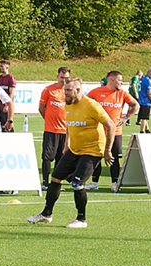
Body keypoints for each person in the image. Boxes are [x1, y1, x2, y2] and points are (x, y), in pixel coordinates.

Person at [28, 77, 114, 229]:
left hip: (92, 151)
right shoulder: (68, 104)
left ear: (78, 90)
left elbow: (111, 126)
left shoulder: (92, 106)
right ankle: (46, 214)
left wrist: (107, 150)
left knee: (77, 183)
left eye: (68, 90)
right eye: (64, 90)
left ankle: (81, 219)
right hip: (74, 149)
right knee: (55, 178)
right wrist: (67, 143)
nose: (65, 93)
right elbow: (69, 125)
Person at [87, 71, 138, 192]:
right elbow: (85, 104)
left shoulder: (122, 94)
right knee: (96, 157)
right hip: (99, 131)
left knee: (114, 158)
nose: (121, 82)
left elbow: (135, 105)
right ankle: (94, 182)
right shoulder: (96, 92)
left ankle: (115, 183)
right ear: (111, 80)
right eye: (120, 80)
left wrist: (126, 118)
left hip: (116, 131)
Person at [38, 67, 70, 185]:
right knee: (47, 157)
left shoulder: (69, 92)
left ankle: (56, 182)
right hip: (51, 130)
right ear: (57, 77)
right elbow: (41, 108)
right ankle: (45, 182)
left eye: (66, 78)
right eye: (62, 77)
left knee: (60, 158)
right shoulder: (49, 90)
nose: (63, 80)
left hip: (65, 131)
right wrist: (49, 121)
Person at [0, 59, 18, 132]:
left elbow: (11, 93)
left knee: (8, 125)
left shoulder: (11, 79)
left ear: (7, 67)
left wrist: (7, 105)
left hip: (5, 106)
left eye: (1, 66)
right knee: (0, 126)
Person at [136, 67, 151, 133]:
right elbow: (149, 94)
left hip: (141, 101)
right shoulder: (147, 80)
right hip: (146, 101)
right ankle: (141, 131)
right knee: (144, 118)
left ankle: (147, 130)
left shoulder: (142, 78)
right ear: (148, 72)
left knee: (145, 117)